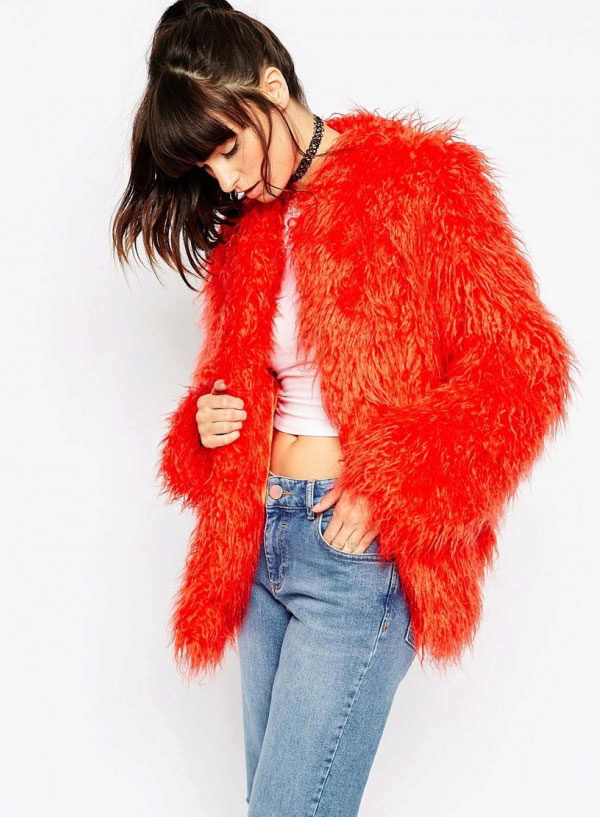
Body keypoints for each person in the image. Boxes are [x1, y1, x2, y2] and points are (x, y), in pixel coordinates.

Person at [111, 2, 578, 815]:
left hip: (353, 555)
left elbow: (523, 367)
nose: (224, 180)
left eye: (228, 147)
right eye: (207, 168)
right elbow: (247, 386)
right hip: (259, 542)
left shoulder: (422, 183)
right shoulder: (248, 237)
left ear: (272, 85)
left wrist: (393, 486)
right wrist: (205, 424)